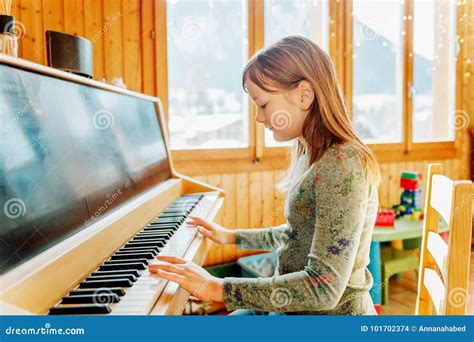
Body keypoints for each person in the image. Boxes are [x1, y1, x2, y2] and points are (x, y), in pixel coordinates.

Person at [149, 36, 381, 315]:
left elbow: (323, 289)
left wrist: (218, 288)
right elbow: (297, 234)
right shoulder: (311, 153)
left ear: (304, 95)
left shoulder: (342, 165)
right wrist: (233, 236)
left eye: (263, 104)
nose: (259, 118)